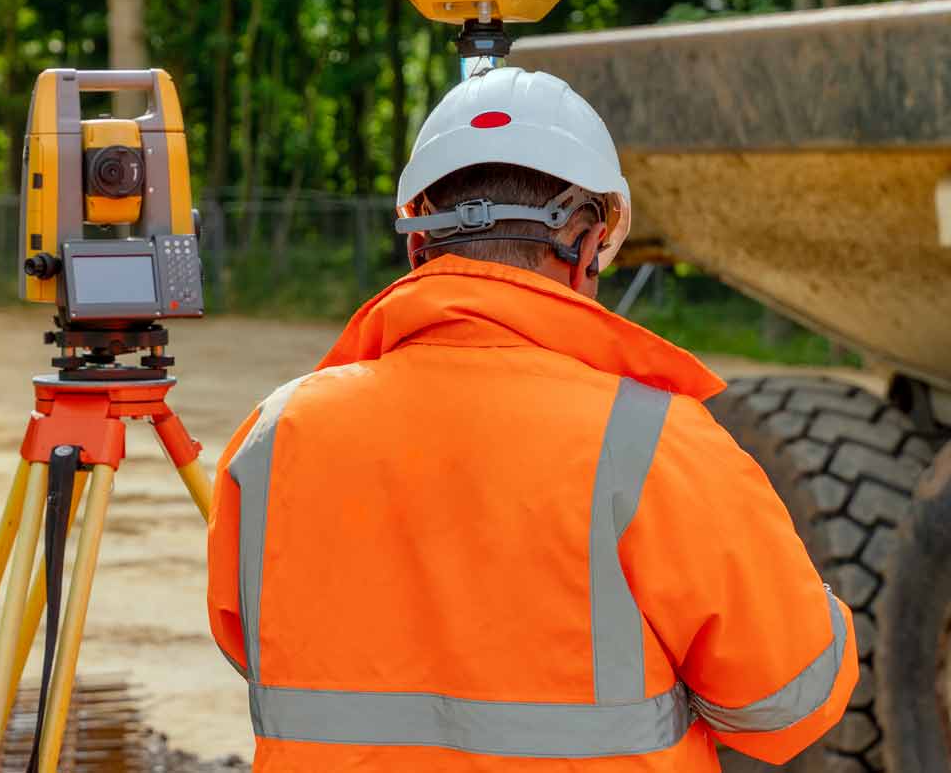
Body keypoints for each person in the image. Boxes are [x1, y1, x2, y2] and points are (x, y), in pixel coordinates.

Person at [205, 66, 857, 770]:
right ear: (586, 244)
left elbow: (256, 648)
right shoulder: (653, 443)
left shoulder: (277, 435)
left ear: (418, 245)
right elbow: (787, 700)